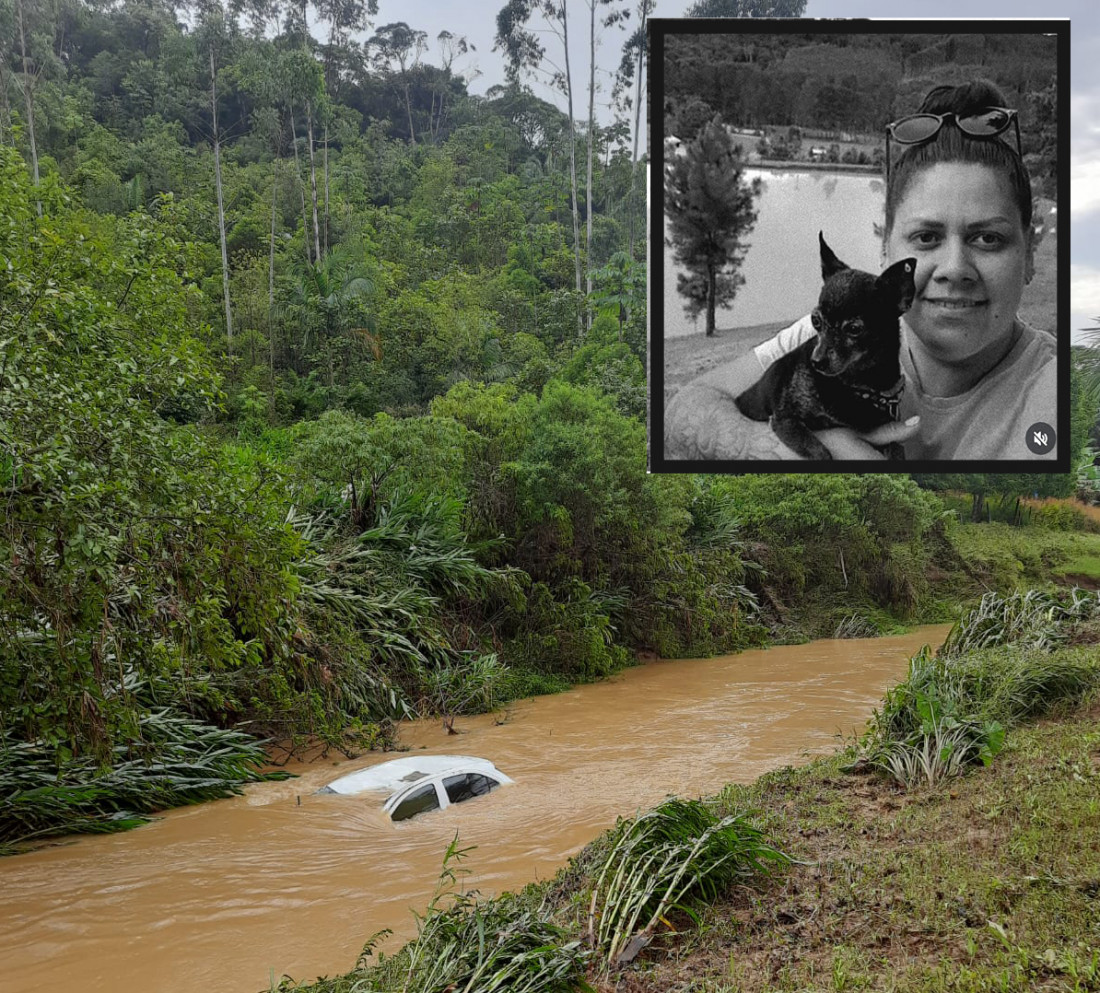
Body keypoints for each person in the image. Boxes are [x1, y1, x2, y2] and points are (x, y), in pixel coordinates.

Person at [663, 79, 1057, 462]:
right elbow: (684, 409)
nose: (955, 269)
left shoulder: (1059, 394)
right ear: (885, 249)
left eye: (988, 238)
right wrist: (793, 451)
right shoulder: (830, 335)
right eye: (926, 237)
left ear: (1029, 253)